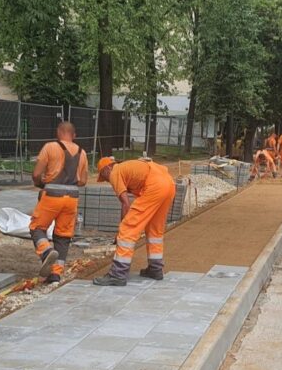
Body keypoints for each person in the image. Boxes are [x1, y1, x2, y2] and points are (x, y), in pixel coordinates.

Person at [93, 157, 176, 285]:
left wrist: (121, 228)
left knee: (127, 229)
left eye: (104, 177)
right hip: (169, 184)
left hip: (155, 186)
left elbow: (125, 203)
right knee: (155, 231)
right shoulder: (127, 167)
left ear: (107, 169)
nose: (107, 180)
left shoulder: (115, 172)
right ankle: (155, 269)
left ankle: (118, 274)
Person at [29, 122, 88, 283]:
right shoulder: (82, 152)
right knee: (63, 235)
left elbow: (36, 174)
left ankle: (46, 251)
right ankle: (55, 273)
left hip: (52, 196)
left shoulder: (50, 147)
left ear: (58, 132)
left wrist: (41, 184)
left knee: (37, 227)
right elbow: (83, 181)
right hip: (72, 198)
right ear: (74, 135)